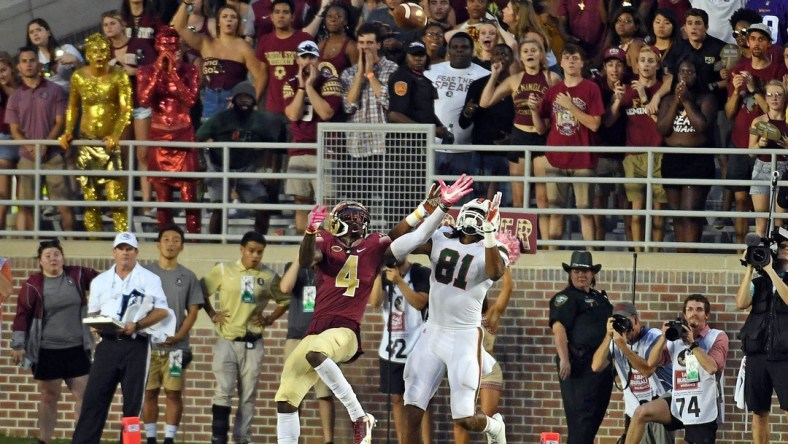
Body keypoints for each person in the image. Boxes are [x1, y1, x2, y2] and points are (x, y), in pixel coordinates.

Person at [274, 189, 438, 444]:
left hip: (346, 330)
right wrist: (308, 232)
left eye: (358, 219)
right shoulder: (324, 240)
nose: (355, 224)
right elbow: (306, 259)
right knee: (286, 398)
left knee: (316, 353)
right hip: (316, 329)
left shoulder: (374, 245)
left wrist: (427, 209)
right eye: (351, 218)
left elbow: (405, 233)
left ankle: (359, 415)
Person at [387, 180, 508, 444]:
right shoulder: (441, 236)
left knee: (464, 418)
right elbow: (396, 243)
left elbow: (495, 272)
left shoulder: (494, 249)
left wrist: (489, 234)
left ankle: (494, 427)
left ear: (492, 223)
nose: (474, 220)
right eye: (472, 213)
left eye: (482, 217)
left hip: (464, 337)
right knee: (411, 410)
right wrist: (429, 210)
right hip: (433, 331)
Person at [72, 232, 172, 444]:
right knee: (94, 400)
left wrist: (137, 325)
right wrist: (95, 325)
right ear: (114, 252)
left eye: (129, 249)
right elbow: (93, 312)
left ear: (136, 252)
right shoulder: (100, 281)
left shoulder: (149, 278)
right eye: (121, 248)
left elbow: (162, 310)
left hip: (136, 345)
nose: (125, 253)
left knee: (132, 407)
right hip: (107, 345)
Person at [201, 231, 291, 444]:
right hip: (227, 341)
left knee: (248, 396)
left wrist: (270, 319)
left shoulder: (268, 276)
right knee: (223, 391)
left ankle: (242, 439)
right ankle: (218, 437)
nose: (255, 256)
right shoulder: (223, 271)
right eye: (251, 251)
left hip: (253, 343)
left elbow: (285, 299)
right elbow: (200, 290)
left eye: (260, 252)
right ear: (241, 249)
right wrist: (213, 313)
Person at [11, 239, 99, 444]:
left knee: (84, 397)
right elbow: (22, 315)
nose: (53, 258)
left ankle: (82, 440)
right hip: (47, 351)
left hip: (77, 348)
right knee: (49, 397)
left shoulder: (77, 275)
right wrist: (18, 345)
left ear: (63, 258)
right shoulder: (33, 285)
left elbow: (105, 282)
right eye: (48, 255)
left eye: (56, 254)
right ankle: (44, 440)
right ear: (40, 261)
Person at [479, 38, 560, 235]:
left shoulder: (552, 78)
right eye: (526, 51)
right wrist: (494, 74)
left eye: (534, 50)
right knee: (518, 197)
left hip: (542, 137)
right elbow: (485, 102)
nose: (530, 54)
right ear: (521, 57)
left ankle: (545, 244)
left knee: (543, 198)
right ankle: (518, 244)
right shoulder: (515, 80)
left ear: (541, 55)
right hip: (520, 136)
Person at [625, 294, 729, 444]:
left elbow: (712, 367)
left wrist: (692, 344)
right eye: (690, 309)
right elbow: (652, 364)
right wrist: (663, 337)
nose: (694, 313)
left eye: (699, 309)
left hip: (703, 403)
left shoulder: (717, 336)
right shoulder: (676, 339)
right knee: (641, 412)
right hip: (679, 398)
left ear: (707, 315)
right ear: (684, 314)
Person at [58, 33, 133, 233]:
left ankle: (123, 243)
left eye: (102, 51)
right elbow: (72, 107)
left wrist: (116, 134)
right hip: (86, 141)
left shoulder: (119, 75)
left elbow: (126, 109)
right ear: (88, 55)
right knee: (90, 199)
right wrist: (67, 131)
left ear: (108, 53)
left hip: (110, 142)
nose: (99, 55)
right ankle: (94, 241)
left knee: (116, 196)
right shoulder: (79, 77)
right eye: (94, 51)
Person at [535, 44, 604, 247]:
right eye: (567, 57)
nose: (571, 61)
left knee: (585, 211)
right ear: (561, 62)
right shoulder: (554, 91)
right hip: (556, 159)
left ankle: (590, 256)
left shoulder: (591, 88)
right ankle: (554, 255)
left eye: (576, 57)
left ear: (582, 63)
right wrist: (532, 111)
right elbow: (541, 128)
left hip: (583, 160)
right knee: (556, 211)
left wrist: (570, 106)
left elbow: (594, 124)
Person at [195, 81, 286, 235]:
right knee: (219, 209)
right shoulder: (221, 118)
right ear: (233, 100)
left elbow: (275, 141)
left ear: (254, 101)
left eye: (248, 98)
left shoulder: (261, 120)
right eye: (241, 98)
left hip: (246, 169)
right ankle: (215, 245)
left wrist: (269, 168)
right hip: (219, 167)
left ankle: (258, 241)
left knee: (263, 207)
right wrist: (202, 162)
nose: (244, 101)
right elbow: (199, 136)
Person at [455, 231, 519, 444]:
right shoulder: (458, 315)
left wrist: (504, 260)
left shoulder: (489, 317)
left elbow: (508, 288)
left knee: (486, 422)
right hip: (465, 370)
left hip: (487, 372)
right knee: (462, 419)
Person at [725, 22, 787, 244]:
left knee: (777, 215)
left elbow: (774, 109)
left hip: (771, 150)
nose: (756, 43)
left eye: (761, 39)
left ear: (769, 43)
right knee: (741, 200)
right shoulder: (738, 68)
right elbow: (729, 112)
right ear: (747, 42)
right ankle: (743, 252)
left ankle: (774, 256)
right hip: (742, 142)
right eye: (752, 38)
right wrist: (736, 92)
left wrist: (754, 89)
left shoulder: (778, 70)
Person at [142, 225, 204, 444]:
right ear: (158, 244)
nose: (170, 243)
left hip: (176, 348)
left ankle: (169, 438)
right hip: (148, 346)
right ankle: (150, 437)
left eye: (176, 240)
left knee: (173, 393)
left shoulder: (188, 276)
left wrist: (179, 336)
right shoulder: (145, 273)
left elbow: (193, 311)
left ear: (182, 246)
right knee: (149, 393)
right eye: (166, 239)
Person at [7, 46, 74, 234]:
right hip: (27, 157)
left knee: (64, 205)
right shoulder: (15, 98)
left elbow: (60, 122)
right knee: (25, 205)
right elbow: (14, 130)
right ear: (18, 67)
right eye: (24, 61)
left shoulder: (55, 91)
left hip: (53, 155)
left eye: (32, 60)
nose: (28, 65)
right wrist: (31, 147)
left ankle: (70, 242)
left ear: (38, 63)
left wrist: (45, 144)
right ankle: (25, 247)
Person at [549, 250, 614, 444]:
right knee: (581, 421)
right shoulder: (566, 298)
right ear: (570, 274)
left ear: (593, 274)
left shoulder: (601, 298)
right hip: (578, 365)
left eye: (585, 271)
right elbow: (559, 329)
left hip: (601, 366)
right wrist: (564, 359)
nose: (581, 275)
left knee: (595, 417)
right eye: (576, 271)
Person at [608, 45, 668, 250]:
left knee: (658, 211)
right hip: (633, 155)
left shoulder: (662, 88)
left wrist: (644, 96)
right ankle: (638, 253)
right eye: (642, 60)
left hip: (658, 153)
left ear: (658, 65)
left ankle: (657, 253)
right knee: (636, 211)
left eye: (651, 61)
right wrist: (616, 101)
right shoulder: (626, 88)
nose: (646, 64)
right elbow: (608, 122)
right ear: (636, 64)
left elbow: (662, 123)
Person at [656, 58, 718, 253]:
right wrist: (676, 101)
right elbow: (663, 129)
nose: (685, 75)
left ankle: (691, 255)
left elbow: (701, 126)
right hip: (672, 159)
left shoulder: (706, 99)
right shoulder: (667, 100)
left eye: (690, 72)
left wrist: (687, 102)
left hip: (697, 159)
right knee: (677, 214)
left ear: (697, 75)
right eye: (682, 72)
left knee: (690, 212)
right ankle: (680, 254)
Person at [591, 301, 674, 444]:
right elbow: (596, 366)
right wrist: (608, 336)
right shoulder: (616, 340)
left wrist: (623, 347)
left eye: (625, 322)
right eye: (618, 322)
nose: (624, 327)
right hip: (633, 412)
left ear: (635, 320)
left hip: (657, 409)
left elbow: (647, 370)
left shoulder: (654, 337)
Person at [369, 257, 431, 444]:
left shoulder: (421, 272)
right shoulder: (384, 274)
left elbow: (420, 302)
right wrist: (378, 274)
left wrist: (400, 281)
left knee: (421, 400)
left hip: (418, 344)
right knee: (397, 397)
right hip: (393, 346)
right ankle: (402, 440)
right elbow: (374, 302)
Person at [283, 40, 342, 234]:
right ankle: (303, 246)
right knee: (301, 201)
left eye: (312, 57)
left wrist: (309, 87)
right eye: (304, 56)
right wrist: (301, 87)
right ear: (297, 59)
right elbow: (293, 114)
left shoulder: (330, 81)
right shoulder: (290, 83)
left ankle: (325, 245)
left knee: (326, 203)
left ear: (318, 59)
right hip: (299, 149)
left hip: (324, 150)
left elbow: (326, 113)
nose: (308, 61)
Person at [173, 2, 265, 122]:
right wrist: (186, 3)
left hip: (233, 102)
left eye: (233, 17)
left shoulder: (244, 47)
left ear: (238, 22)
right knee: (208, 139)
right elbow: (180, 27)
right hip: (210, 100)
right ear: (218, 22)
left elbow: (261, 74)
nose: (229, 20)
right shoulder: (206, 43)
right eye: (225, 16)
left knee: (230, 138)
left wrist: (250, 100)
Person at [736, 233, 788, 444]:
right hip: (757, 353)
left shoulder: (775, 277)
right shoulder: (760, 282)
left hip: (784, 355)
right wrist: (750, 268)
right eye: (782, 246)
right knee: (759, 411)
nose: (785, 249)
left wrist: (770, 270)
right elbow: (741, 302)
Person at [279, 258, 336, 444]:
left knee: (325, 392)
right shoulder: (295, 267)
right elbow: (285, 288)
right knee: (293, 393)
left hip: (322, 338)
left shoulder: (331, 268)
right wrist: (298, 258)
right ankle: (292, 439)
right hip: (296, 337)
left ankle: (328, 440)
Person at [424, 32, 489, 176]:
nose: (459, 50)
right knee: (433, 196)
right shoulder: (431, 71)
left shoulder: (484, 75)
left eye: (464, 47)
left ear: (472, 50)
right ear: (449, 50)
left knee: (461, 195)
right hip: (433, 146)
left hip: (466, 148)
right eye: (455, 47)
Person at [340, 23, 398, 157]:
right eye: (361, 42)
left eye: (370, 42)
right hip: (356, 146)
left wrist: (370, 74)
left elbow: (389, 102)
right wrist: (360, 73)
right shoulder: (349, 73)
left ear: (378, 45)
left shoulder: (391, 68)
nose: (365, 47)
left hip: (383, 145)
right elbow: (348, 106)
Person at [748, 80, 788, 236]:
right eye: (770, 94)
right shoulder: (758, 122)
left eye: (778, 94)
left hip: (784, 169)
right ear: (765, 97)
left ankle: (780, 257)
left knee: (780, 222)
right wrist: (761, 144)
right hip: (762, 168)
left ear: (785, 97)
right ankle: (760, 258)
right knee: (761, 222)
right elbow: (751, 151)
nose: (774, 98)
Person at [26, 18, 84, 93]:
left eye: (39, 30)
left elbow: (86, 74)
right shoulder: (35, 61)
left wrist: (75, 61)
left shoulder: (67, 49)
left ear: (48, 32)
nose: (35, 34)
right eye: (31, 32)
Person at [0, 51, 19, 231]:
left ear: (12, 69)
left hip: (24, 140)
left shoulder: (23, 87)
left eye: (3, 70)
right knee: (3, 193)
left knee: (24, 194)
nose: (2, 75)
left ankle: (25, 235)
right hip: (4, 141)